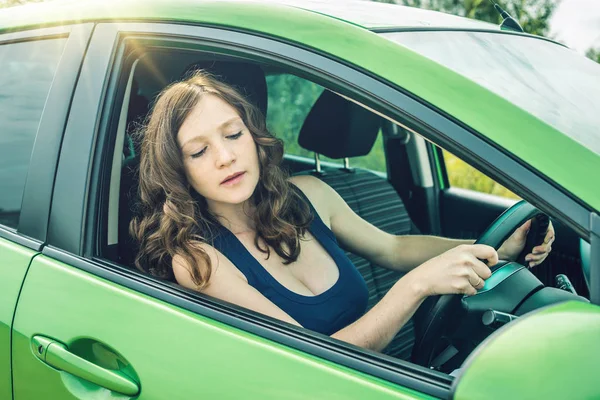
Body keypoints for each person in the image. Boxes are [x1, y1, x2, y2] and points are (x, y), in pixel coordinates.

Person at [130, 70, 554, 353]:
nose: (225, 156)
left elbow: (394, 248)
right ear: (178, 171)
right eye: (200, 151)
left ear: (254, 137)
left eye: (234, 134)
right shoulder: (198, 260)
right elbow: (312, 359)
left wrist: (495, 249)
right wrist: (416, 286)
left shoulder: (310, 193)